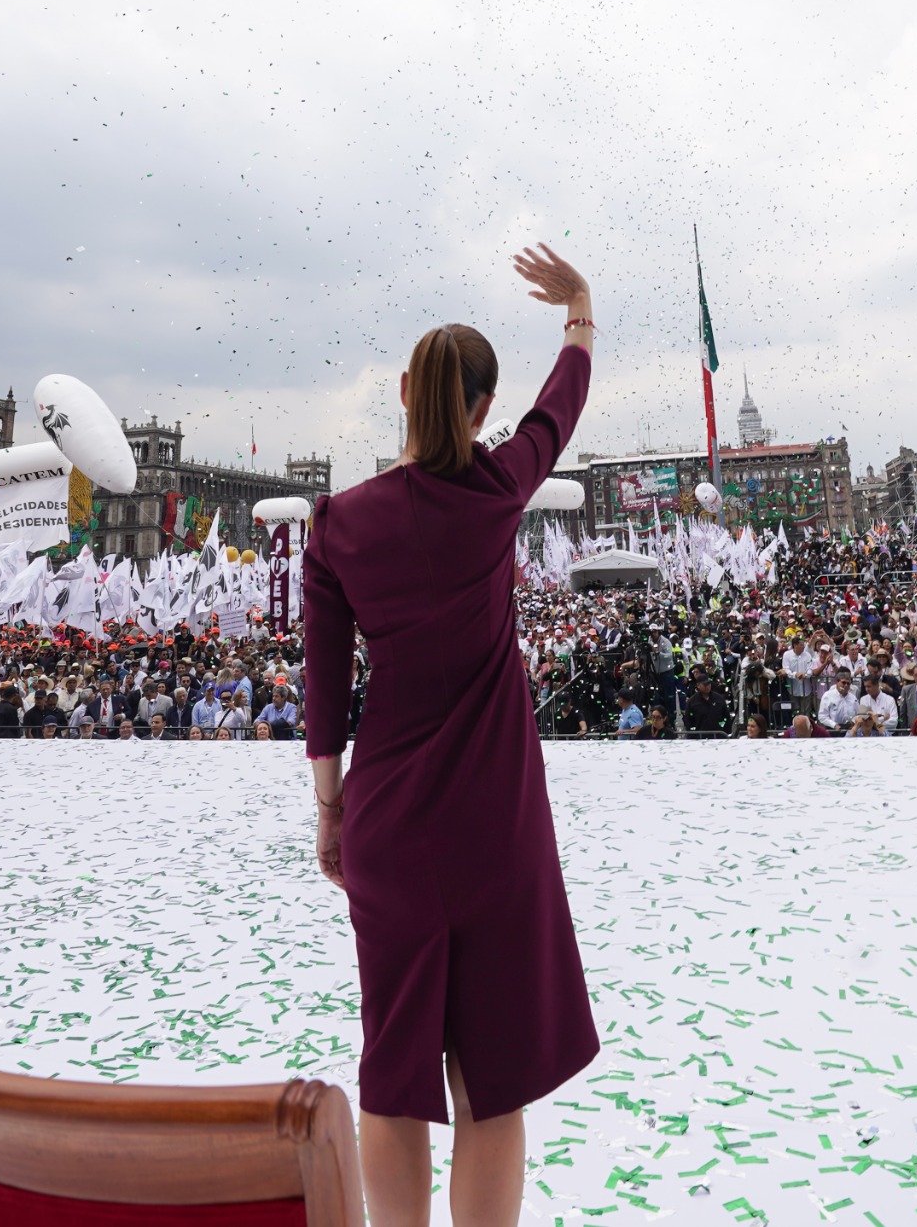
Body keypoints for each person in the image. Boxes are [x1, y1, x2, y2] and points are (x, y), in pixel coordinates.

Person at [303, 244, 600, 1227]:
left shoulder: (338, 521)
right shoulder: (499, 487)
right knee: (491, 1085)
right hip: (494, 828)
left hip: (388, 823)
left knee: (394, 1077)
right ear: (480, 410)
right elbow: (559, 407)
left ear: (400, 392)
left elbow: (324, 685)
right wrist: (578, 311)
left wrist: (331, 810)